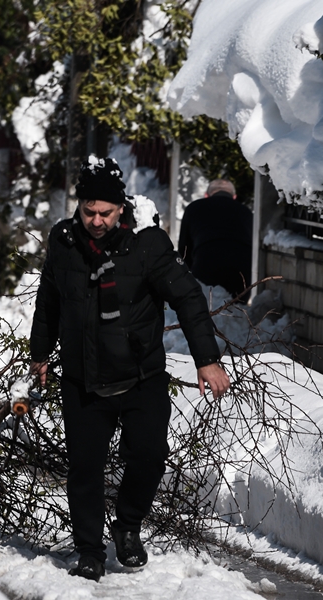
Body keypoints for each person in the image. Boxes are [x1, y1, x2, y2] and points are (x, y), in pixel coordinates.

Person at [29, 157, 230, 583]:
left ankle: (128, 526)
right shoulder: (64, 243)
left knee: (150, 456)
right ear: (78, 206)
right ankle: (89, 550)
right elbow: (48, 300)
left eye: (105, 212)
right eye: (89, 211)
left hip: (141, 377)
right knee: (85, 468)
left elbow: (189, 299)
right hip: (83, 379)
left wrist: (206, 360)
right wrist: (40, 354)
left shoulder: (147, 246)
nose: (96, 221)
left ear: (121, 208)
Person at [177, 179, 253, 301]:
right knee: (237, 312)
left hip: (206, 264)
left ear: (207, 195)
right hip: (241, 271)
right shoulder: (246, 212)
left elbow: (184, 249)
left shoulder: (194, 208)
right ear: (234, 197)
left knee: (206, 307)